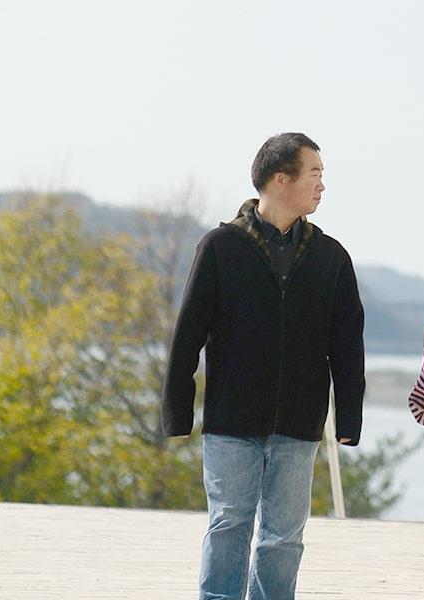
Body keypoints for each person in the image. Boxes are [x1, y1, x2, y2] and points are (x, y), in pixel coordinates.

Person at [161, 132, 367, 600]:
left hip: (298, 422)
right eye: (314, 174)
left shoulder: (331, 257)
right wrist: (177, 411)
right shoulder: (220, 247)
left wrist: (349, 419)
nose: (321, 186)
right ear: (280, 179)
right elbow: (188, 333)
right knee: (228, 524)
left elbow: (348, 344)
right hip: (232, 421)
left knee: (283, 539)